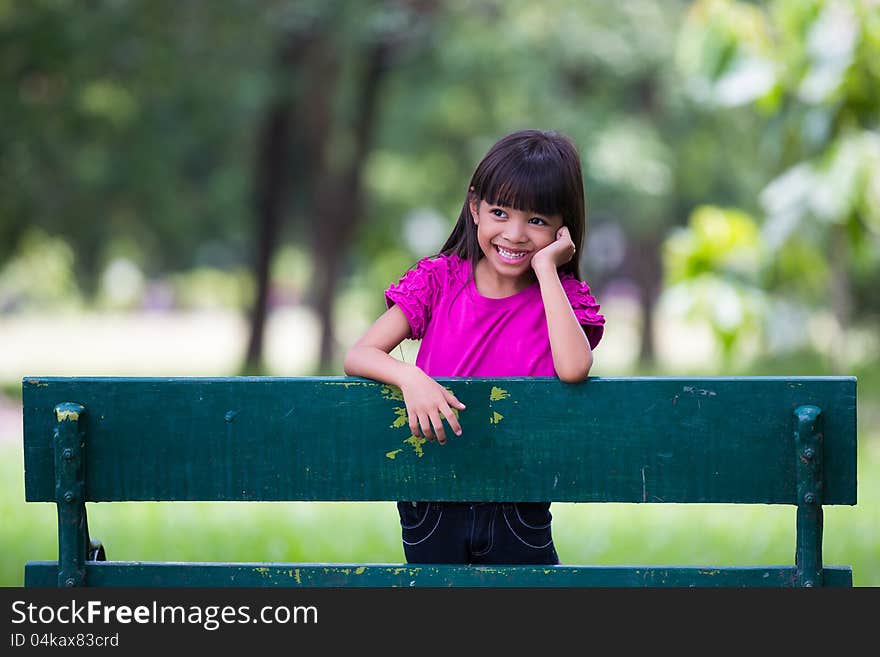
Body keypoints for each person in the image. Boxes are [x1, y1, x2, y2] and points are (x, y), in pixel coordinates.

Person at [343, 128, 605, 565]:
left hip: (517, 498)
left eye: (537, 221)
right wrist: (411, 377)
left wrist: (546, 270)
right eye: (500, 212)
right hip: (433, 495)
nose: (516, 234)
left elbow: (575, 368)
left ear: (563, 229)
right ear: (474, 208)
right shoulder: (440, 280)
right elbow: (359, 355)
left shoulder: (560, 297)